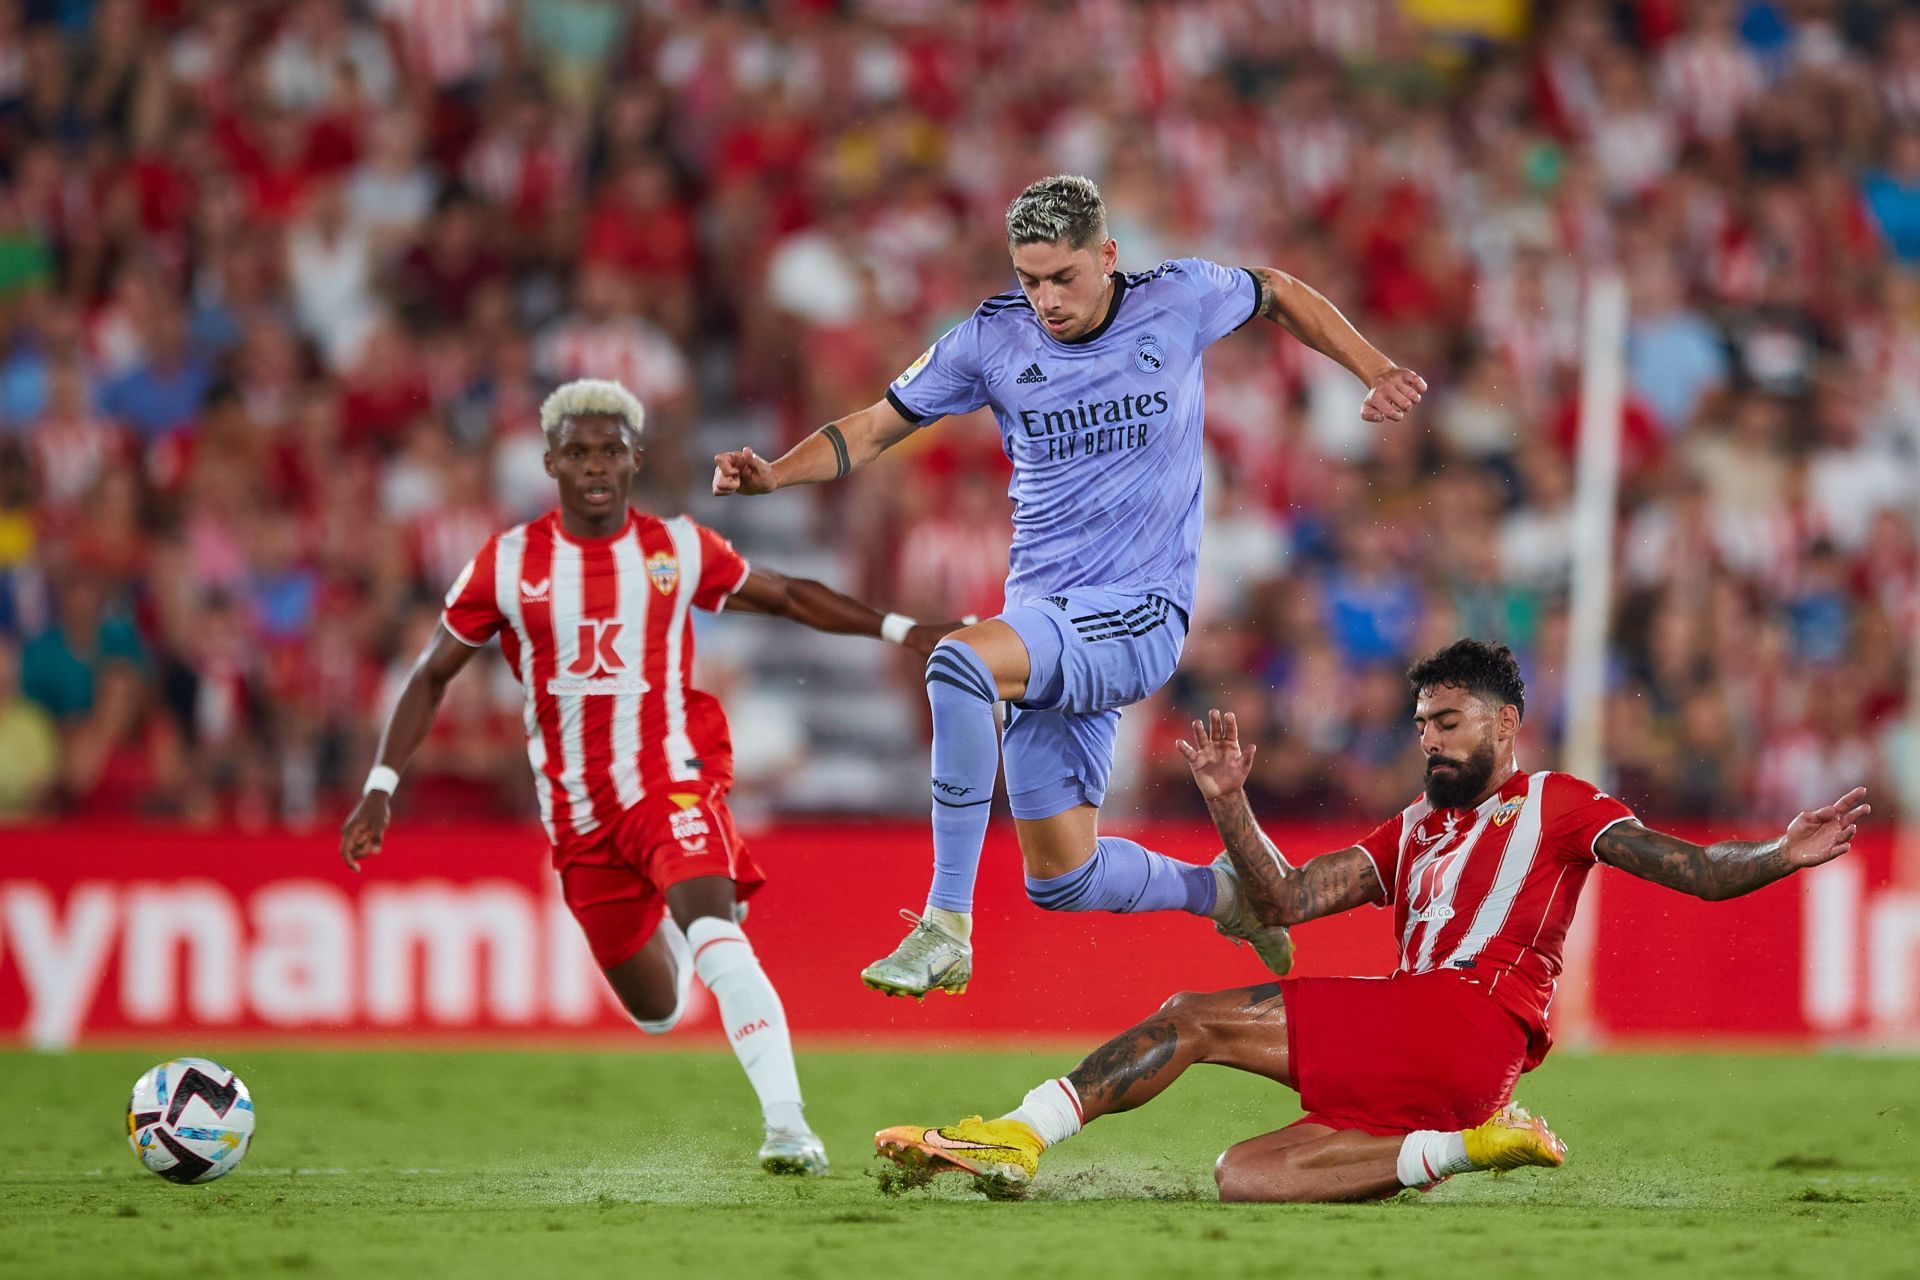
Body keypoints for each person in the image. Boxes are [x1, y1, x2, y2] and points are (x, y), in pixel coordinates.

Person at [713, 174, 1428, 998]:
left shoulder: (1180, 296)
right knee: (1062, 877)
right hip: (1047, 619)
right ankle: (1232, 897)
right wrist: (775, 474)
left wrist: (1373, 368)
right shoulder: (990, 341)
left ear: (1108, 256)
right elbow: (875, 426)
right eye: (1029, 279)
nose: (1046, 299)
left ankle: (945, 923)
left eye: (1063, 277)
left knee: (957, 663)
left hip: (1140, 615)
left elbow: (1279, 292)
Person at [874, 639, 1869, 1202]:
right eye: (1422, 723)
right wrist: (1230, 803)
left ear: (1504, 726)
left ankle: (1018, 1131)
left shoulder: (1563, 802)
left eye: (1449, 721)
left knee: (1192, 1014)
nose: (1429, 738)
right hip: (1444, 1061)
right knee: (1244, 1175)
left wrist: (1780, 853)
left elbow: (1691, 868)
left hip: (1463, 1015)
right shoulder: (1416, 829)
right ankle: (1460, 1149)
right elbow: (1286, 901)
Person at [340, 378, 957, 1177]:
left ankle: (788, 1127)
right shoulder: (508, 563)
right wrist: (382, 784)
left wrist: (906, 631)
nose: (595, 465)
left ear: (634, 458)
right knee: (659, 1011)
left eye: (610, 450)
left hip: (667, 781)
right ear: (550, 461)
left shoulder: (674, 548)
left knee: (715, 935)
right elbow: (430, 676)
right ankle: (678, 908)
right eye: (579, 452)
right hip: (577, 817)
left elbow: (789, 595)